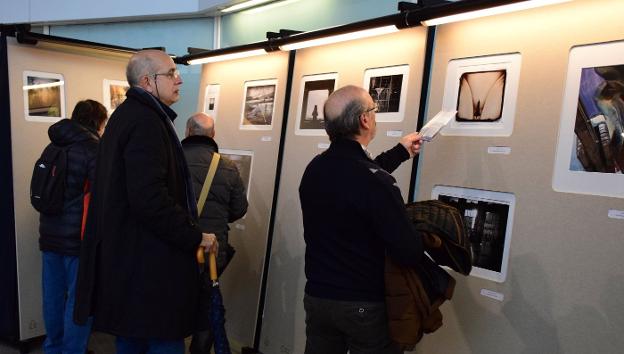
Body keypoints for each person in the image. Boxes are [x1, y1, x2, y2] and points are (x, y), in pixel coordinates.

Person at [74, 49, 217, 354]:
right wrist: (195, 235)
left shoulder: (126, 117)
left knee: (132, 341)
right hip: (149, 272)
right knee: (160, 343)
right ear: (147, 81)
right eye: (171, 73)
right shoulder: (147, 122)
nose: (179, 80)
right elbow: (149, 199)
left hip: (131, 266)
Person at [298, 85, 425, 354]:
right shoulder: (375, 182)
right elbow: (408, 250)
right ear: (364, 120)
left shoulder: (315, 169)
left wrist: (400, 152)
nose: (374, 116)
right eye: (373, 110)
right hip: (363, 304)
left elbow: (353, 181)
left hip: (318, 298)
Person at [38, 99, 107, 354]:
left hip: (49, 234)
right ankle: (72, 350)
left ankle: (53, 347)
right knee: (78, 300)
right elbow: (101, 195)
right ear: (99, 122)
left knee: (53, 297)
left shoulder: (52, 145)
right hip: (78, 239)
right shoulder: (93, 149)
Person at [181, 112, 249, 353]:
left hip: (176, 248)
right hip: (211, 253)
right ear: (213, 135)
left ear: (188, 132)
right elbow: (239, 209)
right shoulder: (228, 167)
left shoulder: (172, 160)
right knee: (206, 307)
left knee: (172, 305)